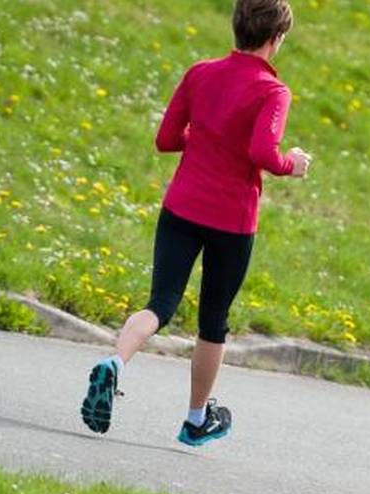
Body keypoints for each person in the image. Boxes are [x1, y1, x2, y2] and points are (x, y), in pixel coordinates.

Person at [80, 0, 311, 446]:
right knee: (213, 321)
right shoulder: (272, 90)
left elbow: (167, 139)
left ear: (237, 26)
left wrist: (205, 141)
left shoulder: (200, 72)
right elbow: (264, 153)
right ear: (275, 39)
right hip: (232, 220)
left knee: (160, 303)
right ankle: (195, 419)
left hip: (181, 207)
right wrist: (292, 165)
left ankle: (116, 362)